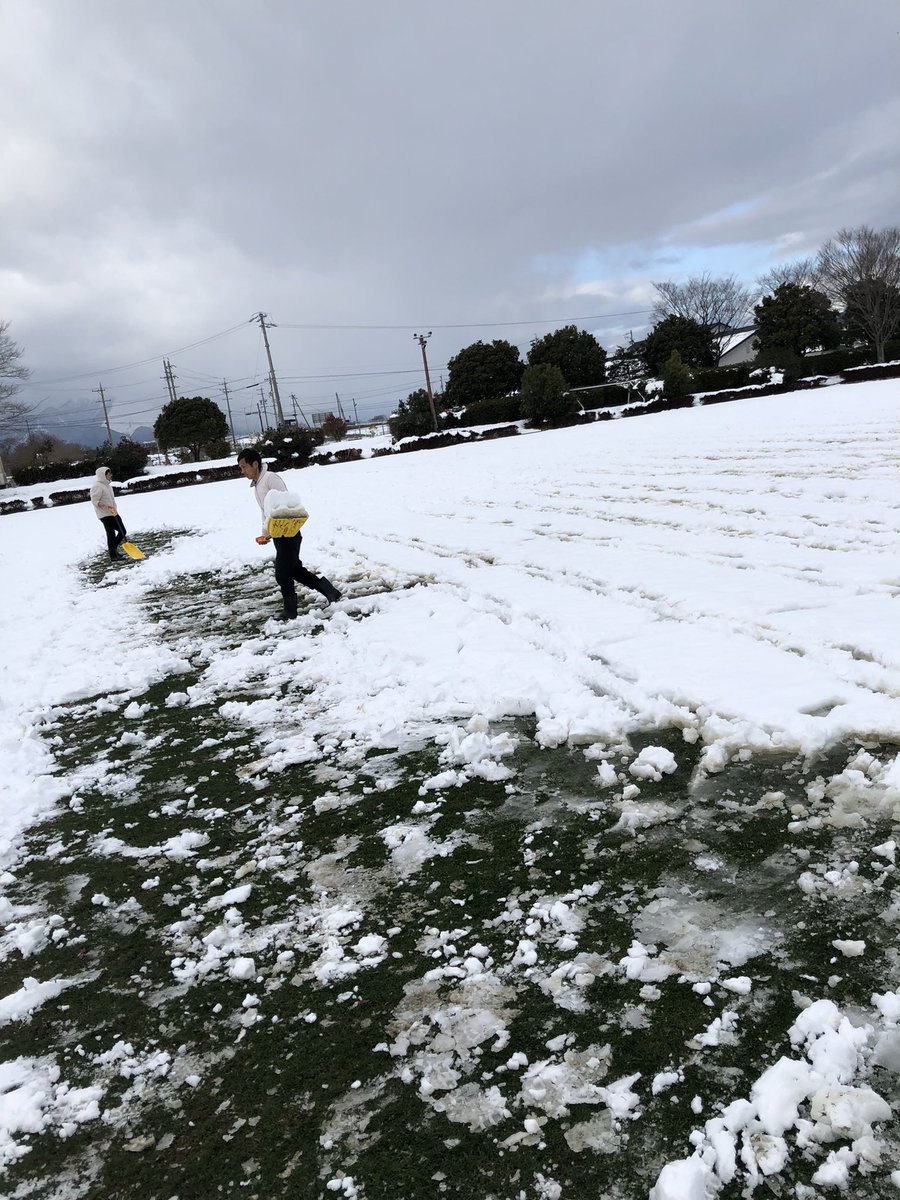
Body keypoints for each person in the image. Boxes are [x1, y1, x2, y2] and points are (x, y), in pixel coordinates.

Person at [237, 449, 341, 620]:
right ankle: (330, 592)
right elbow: (266, 511)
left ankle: (290, 611)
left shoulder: (271, 478)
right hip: (278, 535)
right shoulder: (257, 485)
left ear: (255, 464)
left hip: (289, 533)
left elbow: (286, 505)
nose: (242, 471)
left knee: (282, 574)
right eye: (240, 468)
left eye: (244, 467)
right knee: (295, 571)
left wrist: (277, 530)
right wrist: (266, 534)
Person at [90, 465, 127, 560]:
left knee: (122, 531)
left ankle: (113, 550)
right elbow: (95, 500)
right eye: (108, 474)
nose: (111, 475)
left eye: (110, 473)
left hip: (113, 512)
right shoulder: (97, 486)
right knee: (111, 534)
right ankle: (113, 555)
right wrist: (104, 505)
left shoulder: (108, 486)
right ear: (103, 475)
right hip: (105, 515)